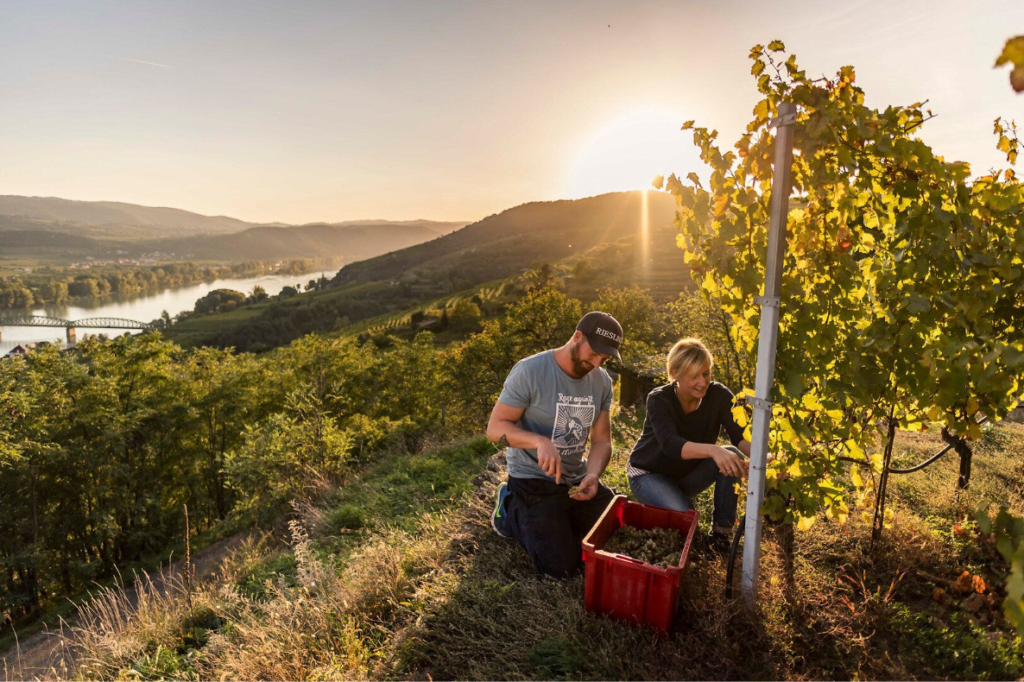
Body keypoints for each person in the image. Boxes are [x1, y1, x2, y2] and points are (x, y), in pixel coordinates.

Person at [486, 311, 623, 579]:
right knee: (561, 567)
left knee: (616, 528)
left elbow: (602, 440)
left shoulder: (602, 381)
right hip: (533, 478)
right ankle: (510, 507)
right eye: (593, 353)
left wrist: (593, 475)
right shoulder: (530, 371)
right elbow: (495, 428)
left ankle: (559, 514)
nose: (596, 363)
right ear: (577, 337)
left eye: (604, 359)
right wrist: (538, 441)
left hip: (574, 478)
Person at [626, 338, 751, 552]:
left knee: (731, 454)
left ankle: (721, 537)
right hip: (648, 474)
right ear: (675, 373)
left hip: (683, 477)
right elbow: (671, 445)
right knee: (688, 520)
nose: (702, 382)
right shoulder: (659, 399)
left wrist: (764, 459)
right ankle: (668, 507)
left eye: (706, 373)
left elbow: (739, 436)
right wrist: (713, 450)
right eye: (693, 376)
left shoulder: (719, 395)